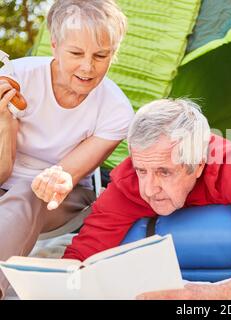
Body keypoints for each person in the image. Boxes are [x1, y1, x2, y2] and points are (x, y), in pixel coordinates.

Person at [63, 98, 231, 300]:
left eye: (165, 172)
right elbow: (79, 257)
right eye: (142, 170)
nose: (149, 189)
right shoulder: (130, 180)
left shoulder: (228, 164)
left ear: (197, 165)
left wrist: (228, 294)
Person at [0, 0, 134, 298]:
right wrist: (5, 123)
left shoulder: (116, 110)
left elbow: (64, 175)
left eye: (101, 55)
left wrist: (58, 178)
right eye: (76, 53)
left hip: (64, 194)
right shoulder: (18, 78)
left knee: (31, 191)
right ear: (56, 45)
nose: (88, 67)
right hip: (4, 177)